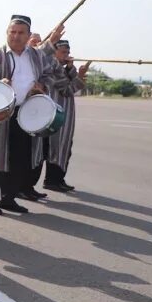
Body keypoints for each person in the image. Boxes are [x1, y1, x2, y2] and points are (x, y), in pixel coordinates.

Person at [0, 15, 56, 215]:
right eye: (13, 32)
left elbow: (50, 74)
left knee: (20, 158)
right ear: (7, 33)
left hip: (26, 113)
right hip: (1, 113)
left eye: (21, 33)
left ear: (28, 35)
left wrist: (42, 85)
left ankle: (8, 199)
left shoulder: (36, 56)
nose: (16, 36)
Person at [39, 39, 88, 192]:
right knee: (56, 147)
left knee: (64, 147)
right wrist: (80, 77)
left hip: (66, 113)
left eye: (68, 52)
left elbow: (70, 80)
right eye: (63, 52)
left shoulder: (63, 67)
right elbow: (67, 89)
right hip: (55, 113)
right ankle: (52, 181)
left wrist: (72, 69)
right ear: (54, 52)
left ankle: (58, 179)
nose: (67, 55)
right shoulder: (52, 67)